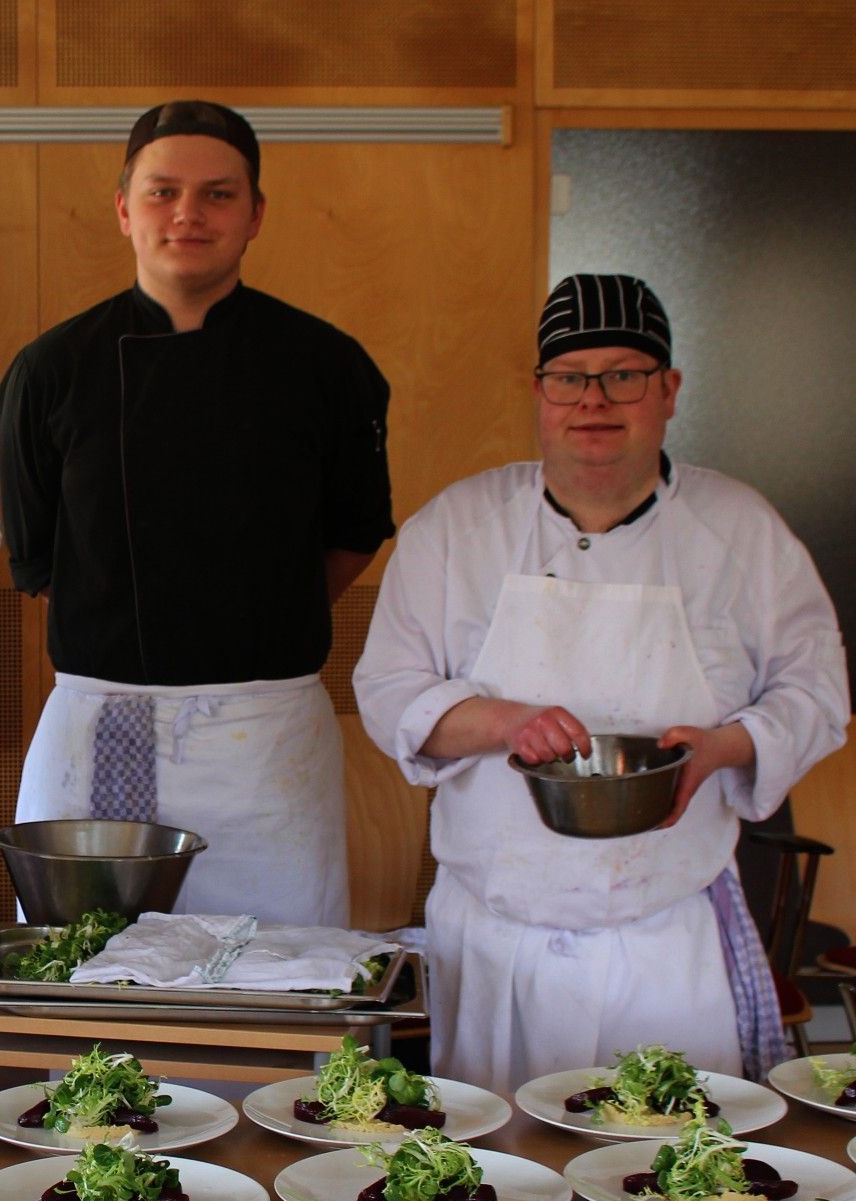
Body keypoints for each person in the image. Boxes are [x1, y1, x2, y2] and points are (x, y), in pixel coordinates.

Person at [354, 273, 849, 1093]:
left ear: (669, 391)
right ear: (539, 392)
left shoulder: (741, 530)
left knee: (672, 1179)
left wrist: (728, 745)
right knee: (489, 1184)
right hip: (493, 940)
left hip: (666, 939)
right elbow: (389, 690)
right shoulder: (458, 529)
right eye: (570, 377)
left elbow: (818, 690)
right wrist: (501, 722)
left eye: (625, 374)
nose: (596, 399)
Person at [0, 100, 394, 926]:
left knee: (275, 982)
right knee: (101, 986)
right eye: (162, 191)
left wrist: (262, 606)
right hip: (104, 725)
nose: (188, 214)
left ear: (255, 214)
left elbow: (356, 533)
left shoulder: (325, 365)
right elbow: (39, 560)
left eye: (217, 195)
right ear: (123, 209)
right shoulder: (49, 371)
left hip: (268, 741)